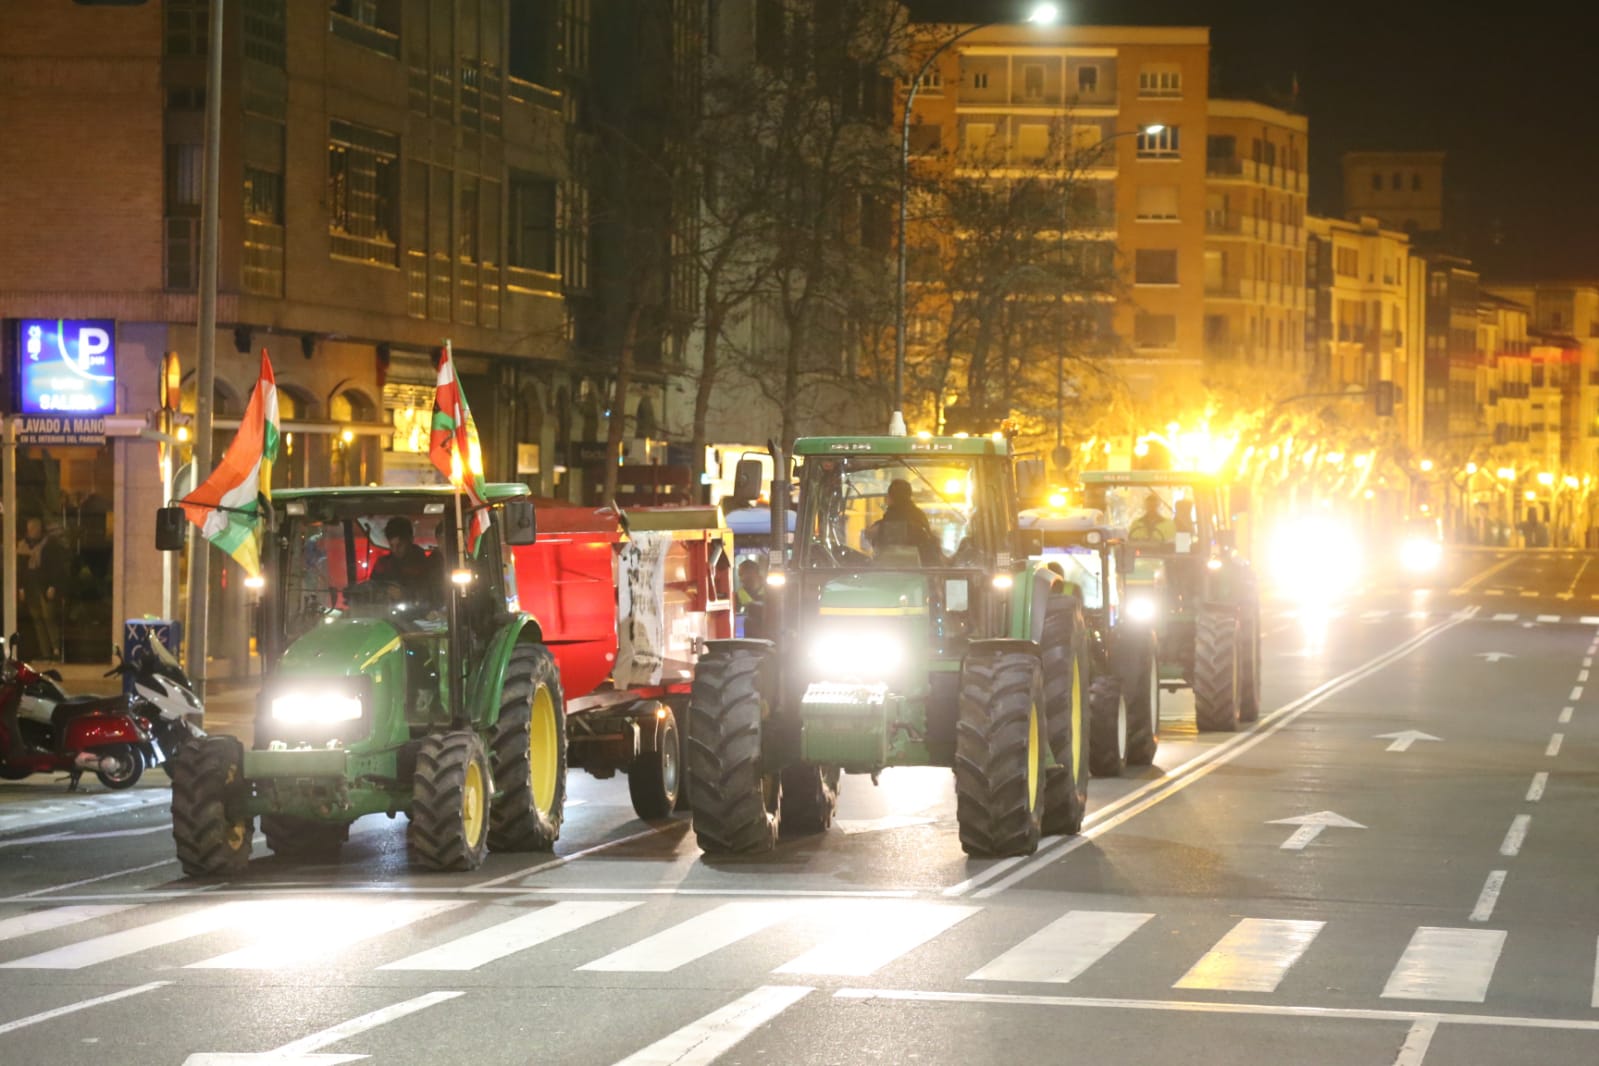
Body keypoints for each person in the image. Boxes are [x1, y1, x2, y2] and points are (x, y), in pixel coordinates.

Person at [17, 517, 67, 661]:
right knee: (37, 618)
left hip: (44, 585)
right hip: (30, 586)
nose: (32, 531)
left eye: (35, 528)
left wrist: (52, 585)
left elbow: (55, 567)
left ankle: (56, 649)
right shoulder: (22, 546)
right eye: (30, 528)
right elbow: (20, 569)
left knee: (48, 616)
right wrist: (21, 588)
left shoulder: (49, 545)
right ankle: (45, 651)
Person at [867, 478, 941, 565]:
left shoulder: (885, 522)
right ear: (909, 495)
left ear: (890, 498)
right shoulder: (919, 517)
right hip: (920, 572)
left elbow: (876, 543)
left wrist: (876, 531)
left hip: (889, 571)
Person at [368, 517, 440, 606]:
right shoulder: (383, 564)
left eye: (400, 545)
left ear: (410, 540)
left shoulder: (426, 564)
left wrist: (406, 595)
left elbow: (432, 595)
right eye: (391, 545)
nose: (395, 550)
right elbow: (372, 588)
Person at [737, 558, 766, 639]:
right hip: (745, 638)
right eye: (740, 575)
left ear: (753, 573)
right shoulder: (737, 596)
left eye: (742, 574)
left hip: (767, 637)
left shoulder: (770, 593)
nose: (740, 579)